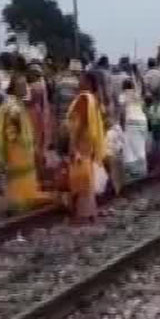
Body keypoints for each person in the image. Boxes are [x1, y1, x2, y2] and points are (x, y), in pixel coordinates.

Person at [0, 73, 53, 211]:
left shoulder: (16, 103)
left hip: (21, 149)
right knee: (19, 176)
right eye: (22, 86)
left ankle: (20, 202)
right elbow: (11, 130)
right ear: (14, 88)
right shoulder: (13, 106)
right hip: (17, 150)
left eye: (25, 85)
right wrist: (15, 142)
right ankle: (19, 203)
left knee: (21, 177)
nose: (25, 88)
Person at [66, 71, 106, 223]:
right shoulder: (93, 98)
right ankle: (89, 211)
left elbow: (79, 123)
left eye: (81, 79)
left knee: (81, 175)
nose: (78, 82)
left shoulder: (83, 98)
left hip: (82, 140)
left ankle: (83, 212)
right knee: (87, 173)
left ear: (88, 82)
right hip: (89, 140)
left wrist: (72, 143)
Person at [26, 61, 52, 176]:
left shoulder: (35, 86)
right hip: (38, 115)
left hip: (33, 115)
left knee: (33, 142)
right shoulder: (41, 85)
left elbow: (26, 99)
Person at [120, 78, 149, 181]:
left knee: (131, 149)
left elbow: (122, 111)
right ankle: (143, 171)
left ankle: (135, 173)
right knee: (141, 146)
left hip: (131, 122)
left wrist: (122, 125)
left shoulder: (123, 95)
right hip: (143, 121)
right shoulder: (137, 95)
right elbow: (143, 107)